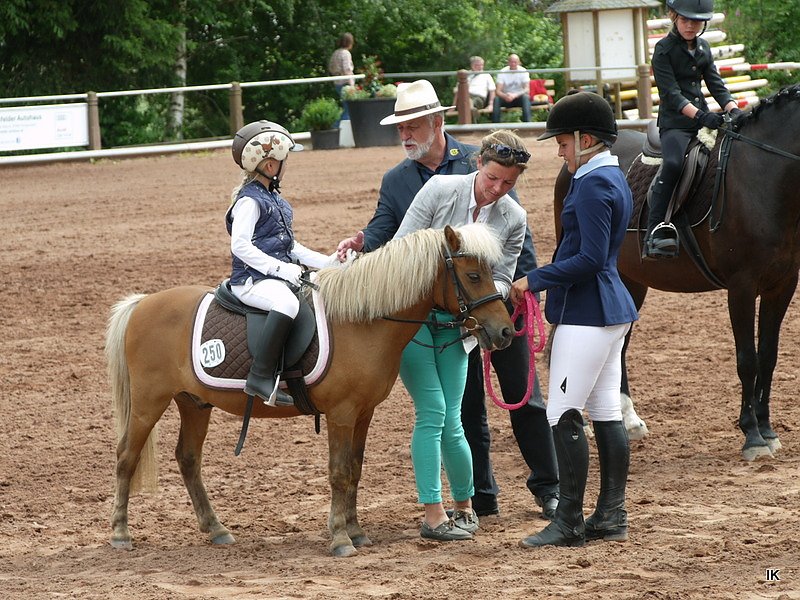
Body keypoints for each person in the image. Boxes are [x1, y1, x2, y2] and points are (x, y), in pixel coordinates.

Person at [336, 79, 559, 524]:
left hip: (496, 303)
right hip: (440, 317)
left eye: (413, 126)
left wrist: (513, 294)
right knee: (463, 411)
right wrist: (362, 242)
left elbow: (512, 257)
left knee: (524, 396)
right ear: (481, 168)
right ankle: (480, 499)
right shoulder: (406, 180)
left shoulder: (490, 165)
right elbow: (394, 238)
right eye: (401, 128)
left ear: (437, 122)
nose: (405, 135)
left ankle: (549, 488)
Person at [510, 91, 639, 548]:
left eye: (563, 142)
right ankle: (611, 515)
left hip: (588, 313)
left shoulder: (593, 184)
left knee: (562, 413)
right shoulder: (611, 175)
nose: (559, 151)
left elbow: (589, 258)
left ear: (586, 140)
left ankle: (568, 521)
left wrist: (534, 279)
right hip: (609, 310)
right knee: (605, 411)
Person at [393, 131, 531, 541]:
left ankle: (465, 507)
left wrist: (480, 302)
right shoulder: (439, 190)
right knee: (433, 411)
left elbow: (503, 276)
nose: (498, 189)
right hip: (416, 322)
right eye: (492, 178)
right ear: (478, 164)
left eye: (508, 183)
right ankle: (433, 514)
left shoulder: (513, 218)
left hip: (459, 329)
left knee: (452, 418)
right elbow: (402, 248)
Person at [227, 120, 334, 406]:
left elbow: (291, 247)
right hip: (250, 281)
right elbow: (240, 245)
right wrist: (280, 269)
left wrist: (330, 263)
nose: (287, 165)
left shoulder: (273, 198)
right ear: (270, 165)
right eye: (285, 160)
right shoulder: (250, 201)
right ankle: (259, 377)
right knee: (286, 303)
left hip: (272, 278)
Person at [645, 0, 741, 259]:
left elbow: (715, 84)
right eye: (685, 20)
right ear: (674, 17)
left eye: (696, 21)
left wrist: (733, 109)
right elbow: (671, 94)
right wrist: (700, 115)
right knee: (674, 164)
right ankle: (653, 231)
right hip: (675, 124)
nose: (690, 26)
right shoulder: (663, 49)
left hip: (702, 119)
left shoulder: (703, 47)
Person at [492, 54, 531, 123]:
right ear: (508, 62)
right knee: (496, 99)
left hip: (519, 97)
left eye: (515, 62)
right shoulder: (502, 72)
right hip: (506, 98)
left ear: (519, 63)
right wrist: (505, 96)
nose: (513, 64)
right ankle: (495, 124)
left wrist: (515, 95)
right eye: (511, 62)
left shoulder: (523, 71)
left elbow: (527, 89)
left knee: (526, 98)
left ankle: (527, 123)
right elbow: (498, 91)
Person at [328, 32, 355, 124]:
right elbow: (347, 69)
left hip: (337, 82)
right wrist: (352, 84)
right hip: (345, 82)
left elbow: (331, 67)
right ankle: (338, 127)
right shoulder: (346, 53)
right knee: (349, 108)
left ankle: (338, 126)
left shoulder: (336, 53)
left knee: (346, 106)